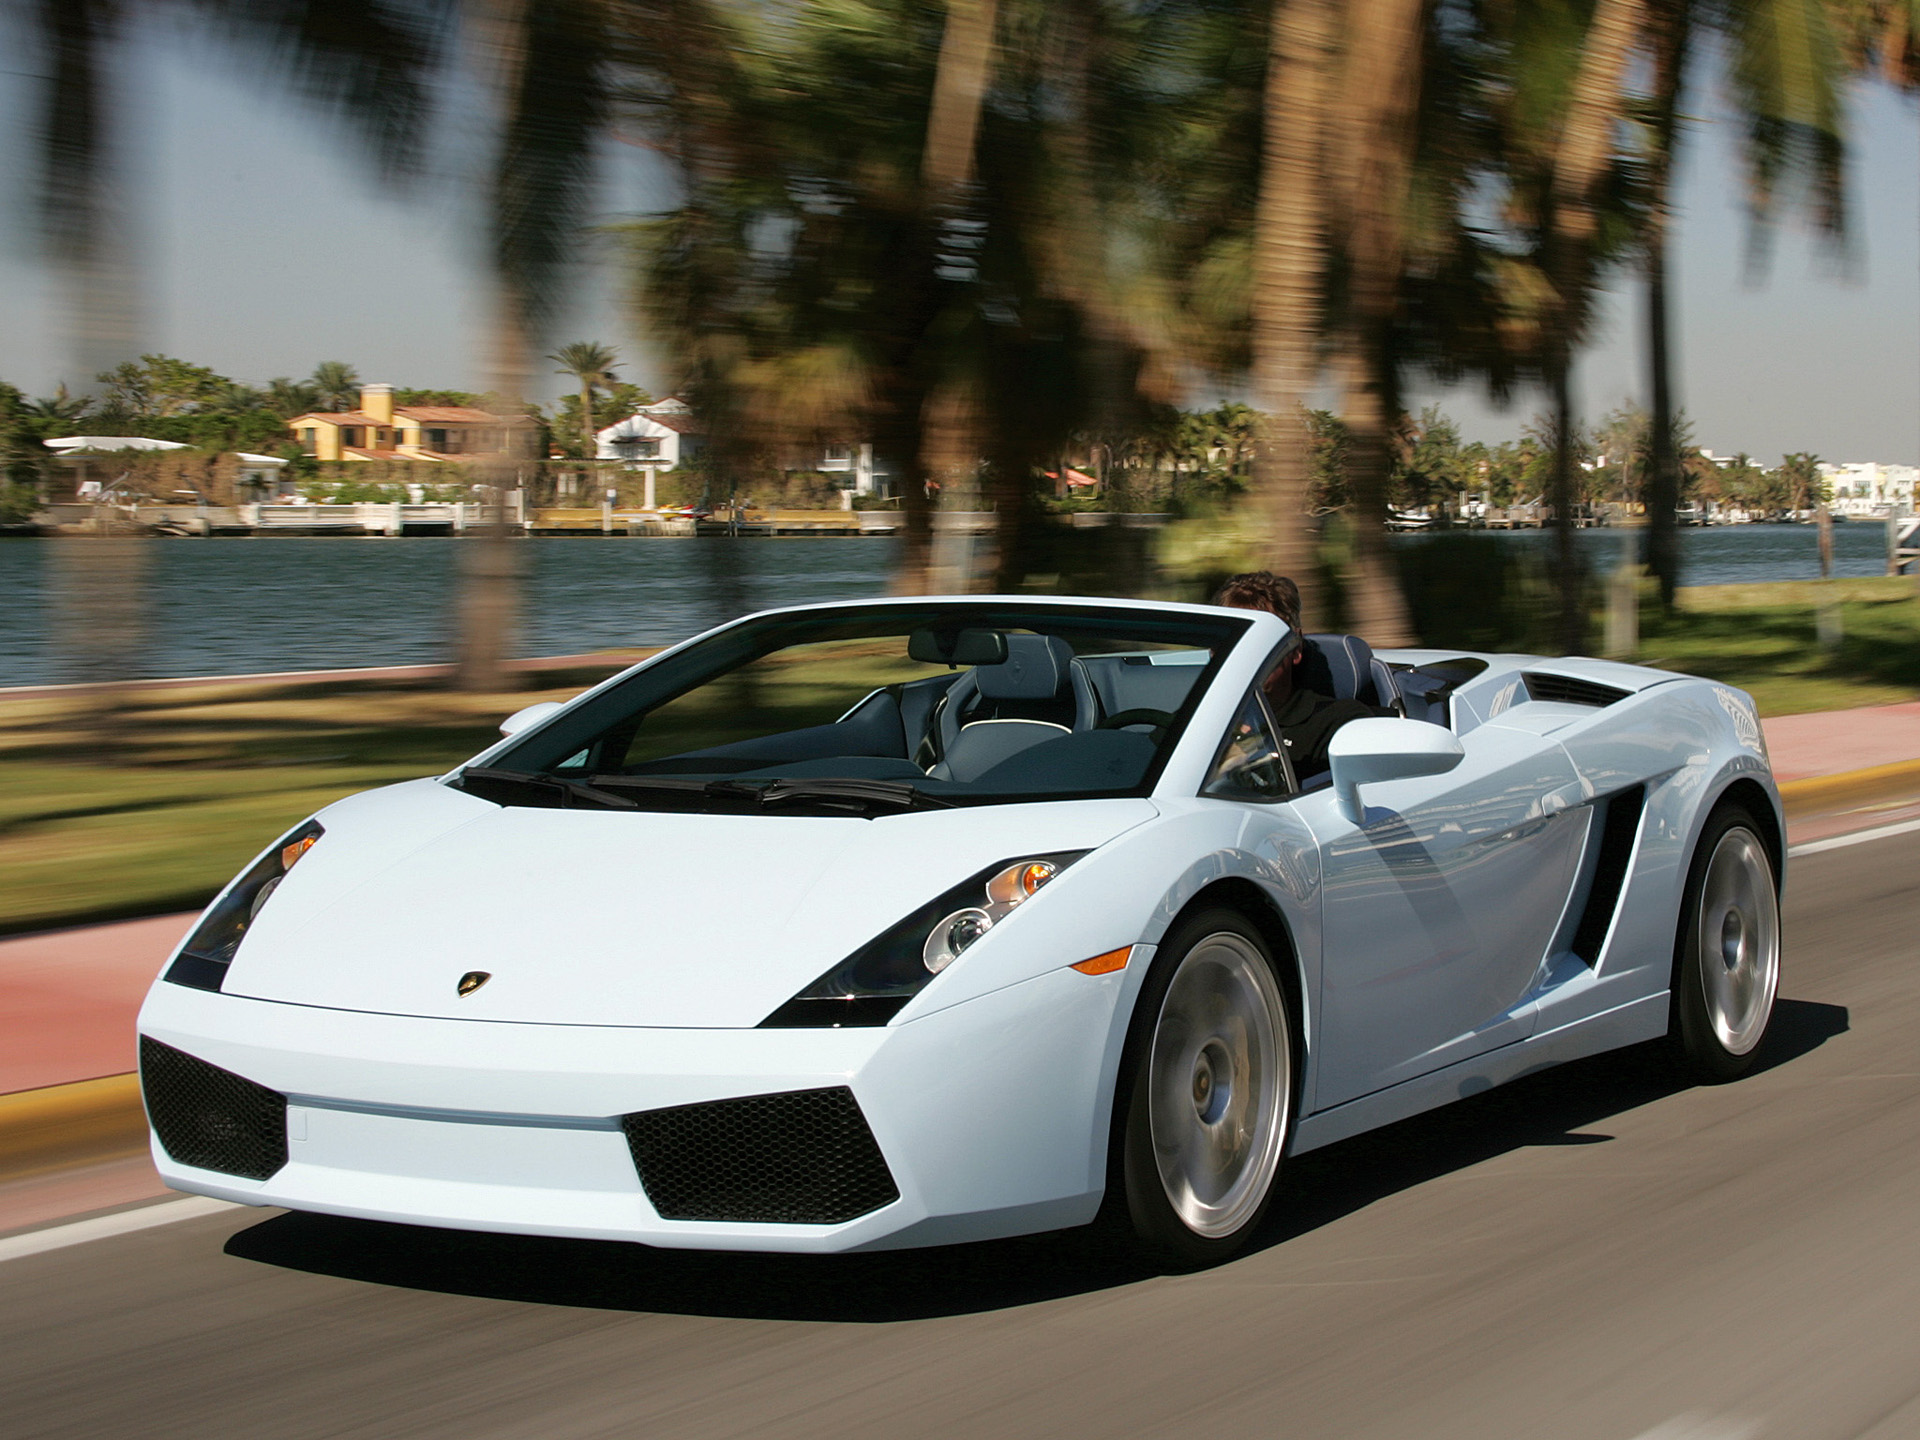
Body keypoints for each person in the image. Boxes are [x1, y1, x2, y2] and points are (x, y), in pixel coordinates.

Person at [1211, 571, 1395, 781]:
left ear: (1295, 649)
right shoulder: (1193, 721)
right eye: (1229, 642)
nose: (1243, 656)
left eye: (1257, 643)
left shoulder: (1338, 724)